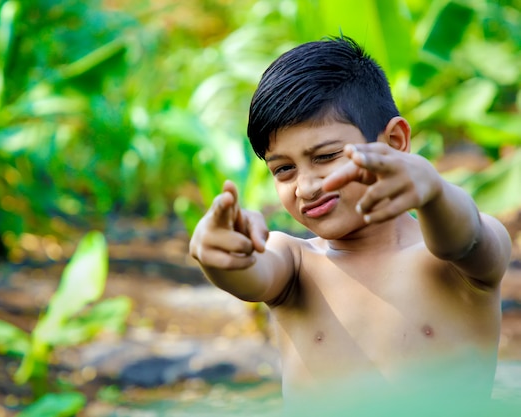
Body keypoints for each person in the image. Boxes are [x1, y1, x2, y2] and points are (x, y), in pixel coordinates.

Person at [189, 36, 512, 416]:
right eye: (283, 169)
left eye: (325, 157)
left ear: (394, 141)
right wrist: (221, 253)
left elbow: (468, 239)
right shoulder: (294, 264)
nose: (307, 186)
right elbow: (251, 273)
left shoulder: (451, 261)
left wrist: (434, 190)